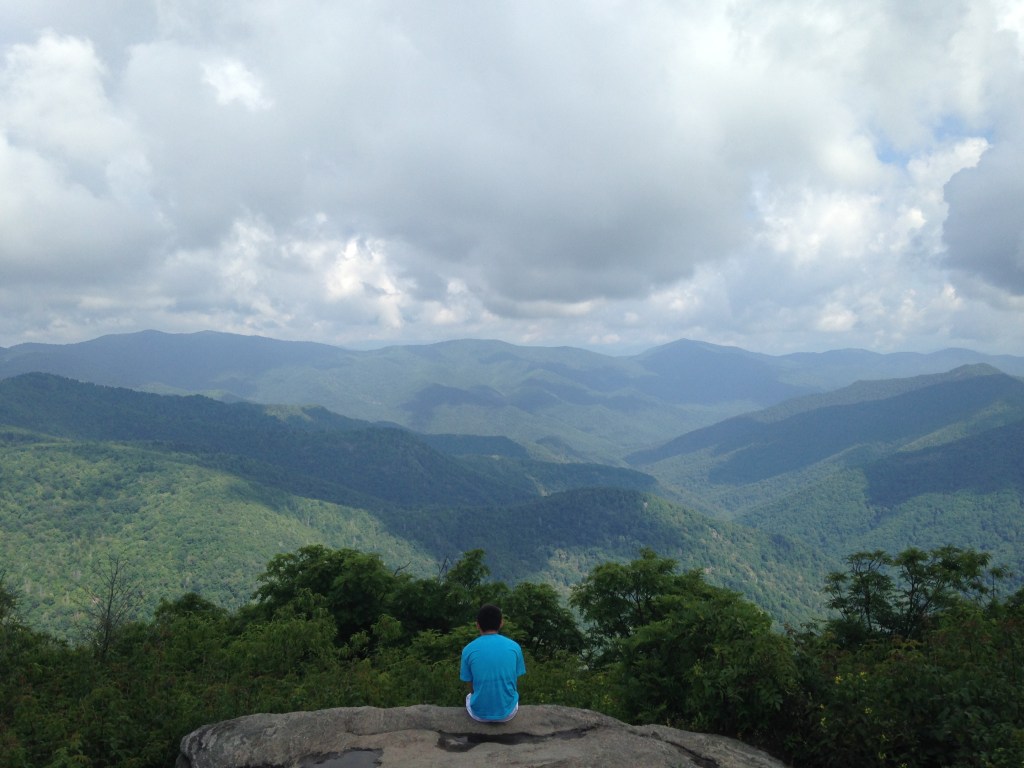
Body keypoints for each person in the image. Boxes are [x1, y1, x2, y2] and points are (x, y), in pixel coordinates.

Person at [459, 603, 526, 722]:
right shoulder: (514, 647)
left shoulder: (468, 649)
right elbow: (514, 679)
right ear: (501, 623)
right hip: (508, 713)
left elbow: (471, 687)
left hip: (478, 715)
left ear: (477, 625)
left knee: (469, 697)